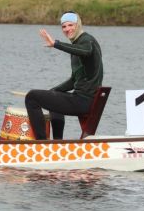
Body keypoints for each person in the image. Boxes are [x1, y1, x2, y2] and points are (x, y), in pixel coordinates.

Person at [25, 12, 103, 140]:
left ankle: (41, 143)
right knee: (53, 98)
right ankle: (57, 143)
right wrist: (53, 91)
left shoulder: (86, 40)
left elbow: (86, 51)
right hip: (83, 100)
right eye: (64, 27)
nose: (67, 29)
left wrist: (56, 44)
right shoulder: (77, 44)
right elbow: (73, 81)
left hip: (84, 101)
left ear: (78, 25)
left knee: (31, 97)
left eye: (70, 25)